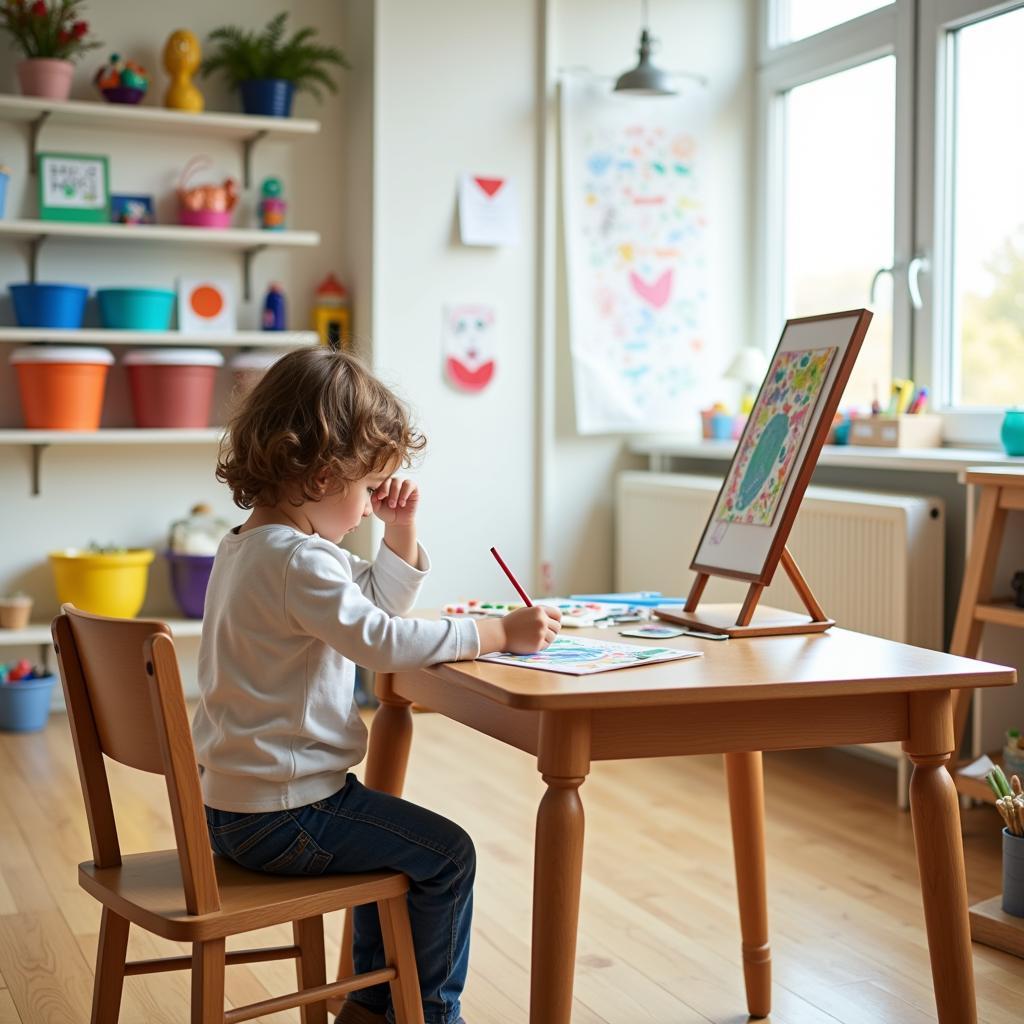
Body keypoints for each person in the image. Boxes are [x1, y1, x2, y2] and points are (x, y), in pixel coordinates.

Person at [192, 347, 561, 1024]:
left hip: (232, 809)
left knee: (385, 838)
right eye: (367, 492)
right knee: (446, 855)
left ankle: (372, 1008)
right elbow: (380, 638)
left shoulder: (252, 546)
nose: (367, 511)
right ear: (325, 475)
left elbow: (374, 604)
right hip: (284, 812)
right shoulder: (299, 561)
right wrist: (497, 635)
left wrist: (403, 529)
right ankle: (422, 1015)